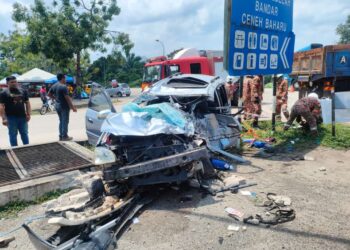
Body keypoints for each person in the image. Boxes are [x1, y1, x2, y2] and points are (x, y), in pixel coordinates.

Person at [0, 76, 31, 147]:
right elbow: (1, 106)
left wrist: (28, 114)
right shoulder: (3, 93)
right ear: (7, 83)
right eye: (12, 82)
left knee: (24, 133)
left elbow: (27, 103)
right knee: (13, 134)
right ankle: (15, 149)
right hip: (11, 118)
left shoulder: (23, 91)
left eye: (15, 82)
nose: (14, 83)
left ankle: (27, 148)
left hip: (22, 117)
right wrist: (4, 118)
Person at [48, 73, 77, 141]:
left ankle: (61, 136)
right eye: (65, 78)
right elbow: (67, 98)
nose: (65, 80)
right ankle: (65, 136)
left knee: (61, 121)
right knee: (65, 121)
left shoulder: (54, 85)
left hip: (57, 106)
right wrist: (73, 107)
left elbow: (49, 94)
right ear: (62, 78)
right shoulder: (63, 87)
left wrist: (55, 98)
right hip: (64, 106)